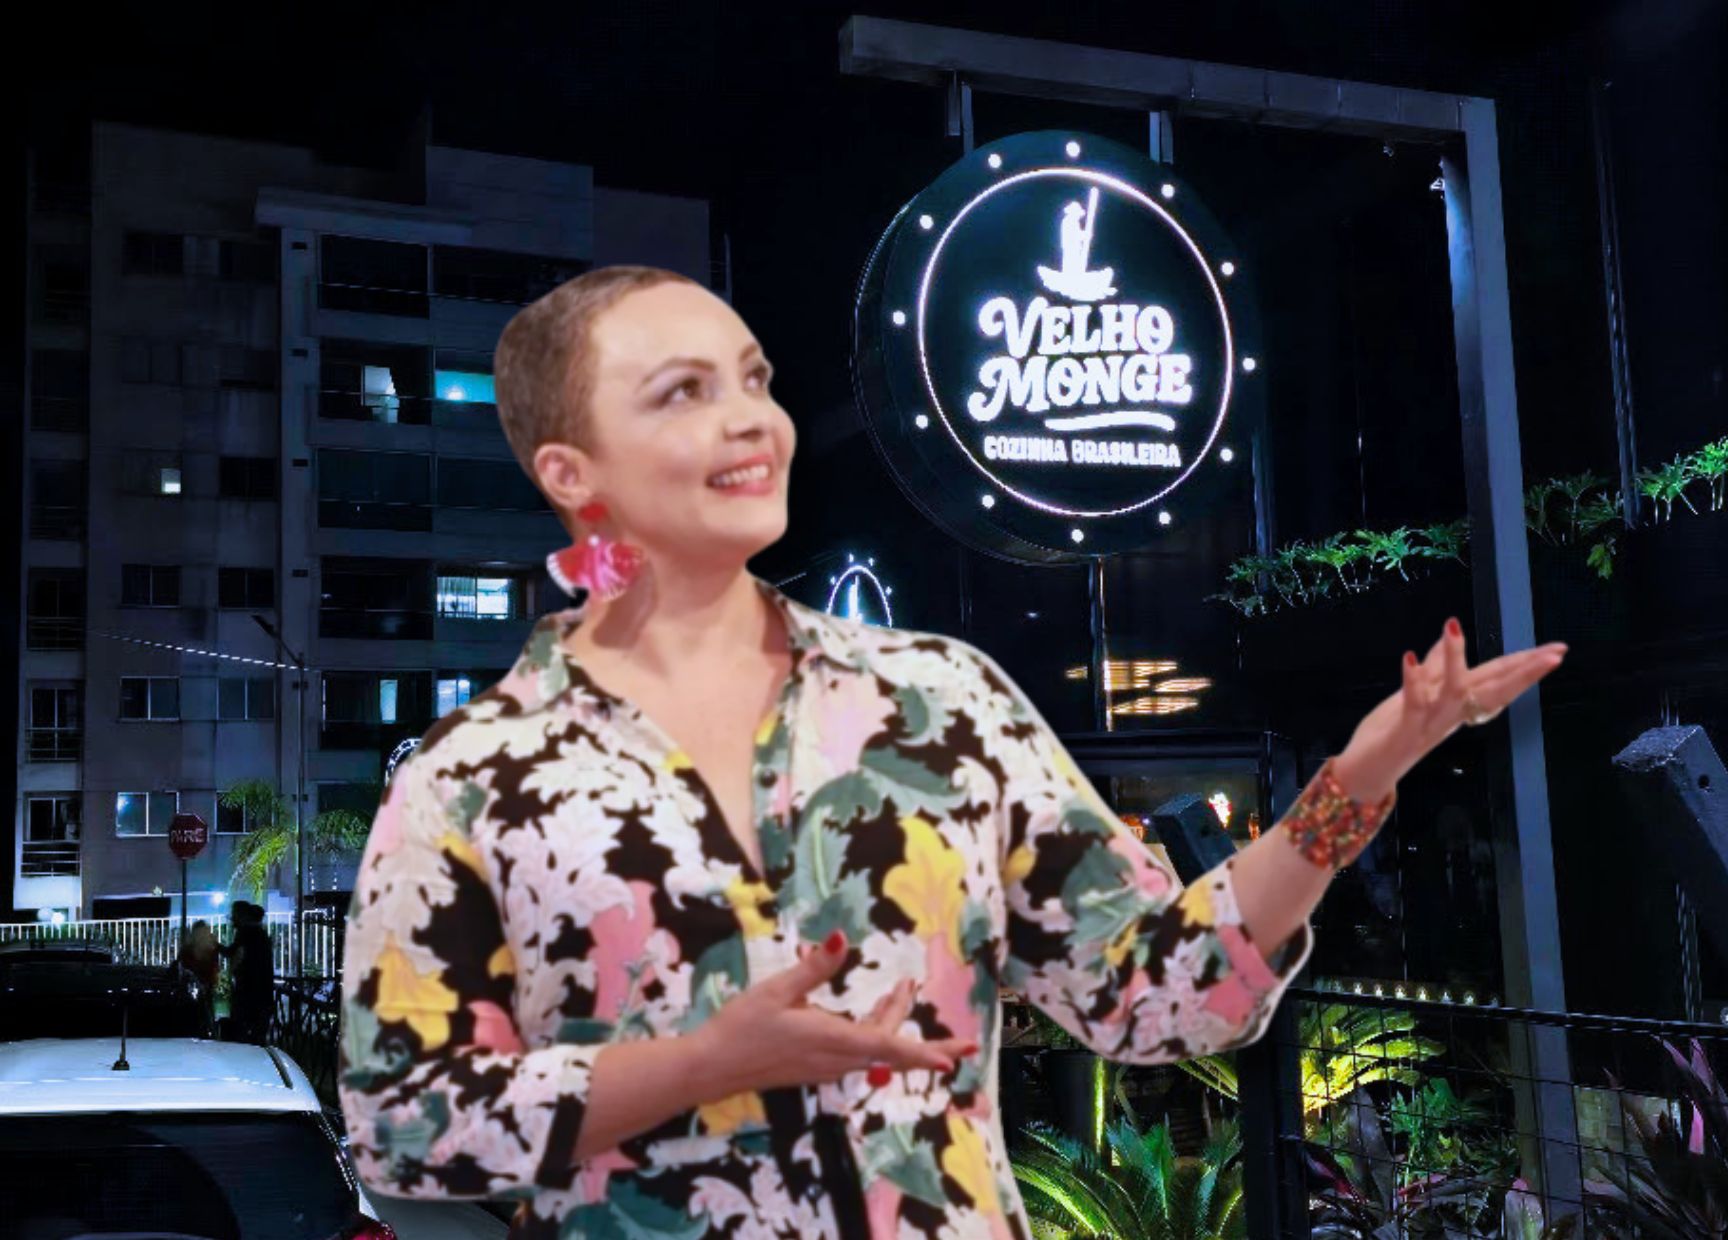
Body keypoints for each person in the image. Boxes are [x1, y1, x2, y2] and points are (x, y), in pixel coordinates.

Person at [337, 266, 1566, 1239]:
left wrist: (1357, 779)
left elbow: (1161, 990)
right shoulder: (476, 776)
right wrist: (703, 1063)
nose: (750, 419)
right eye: (681, 392)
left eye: (754, 379)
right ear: (571, 471)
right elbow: (401, 1121)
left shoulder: (936, 703)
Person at [217, 900, 273, 1044]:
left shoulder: (246, 932)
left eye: (234, 914)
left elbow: (231, 952)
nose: (231, 918)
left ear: (242, 916)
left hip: (249, 990)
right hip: (262, 990)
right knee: (257, 1034)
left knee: (242, 1030)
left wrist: (214, 945)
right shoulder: (260, 933)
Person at [179, 919, 221, 1031]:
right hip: (195, 986)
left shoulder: (207, 948)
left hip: (203, 985)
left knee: (204, 1011)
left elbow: (213, 966)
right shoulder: (190, 949)